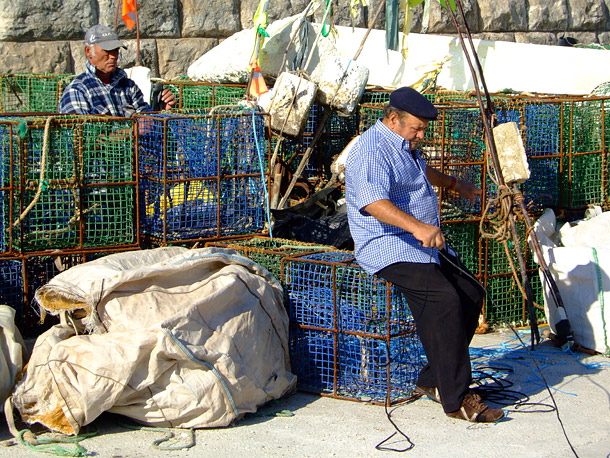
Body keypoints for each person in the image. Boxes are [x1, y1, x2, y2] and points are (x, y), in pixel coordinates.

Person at [345, 87, 504, 423]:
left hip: (422, 245)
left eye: (423, 130)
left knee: (472, 293)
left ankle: (432, 380)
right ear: (392, 119)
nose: (420, 135)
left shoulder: (404, 144)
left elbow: (417, 174)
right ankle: (457, 399)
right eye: (416, 128)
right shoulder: (370, 151)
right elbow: (373, 202)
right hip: (387, 244)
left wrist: (454, 183)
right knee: (443, 302)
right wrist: (417, 227)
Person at [59, 24, 176, 116]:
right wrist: (131, 133)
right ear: (88, 52)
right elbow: (82, 138)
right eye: (107, 51)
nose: (113, 56)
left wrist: (159, 110)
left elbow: (146, 119)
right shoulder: (77, 91)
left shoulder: (128, 86)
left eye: (115, 50)